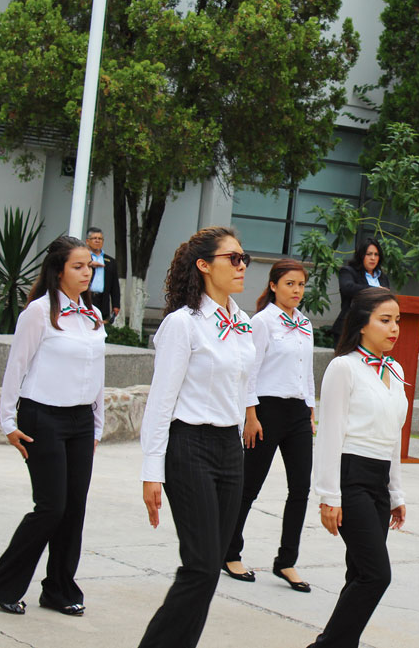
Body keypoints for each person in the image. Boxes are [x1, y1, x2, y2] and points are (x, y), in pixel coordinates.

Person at [137, 227, 255, 648]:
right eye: (233, 258)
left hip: (230, 449)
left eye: (244, 258)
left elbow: (243, 384)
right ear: (204, 265)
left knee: (209, 568)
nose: (242, 266)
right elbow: (161, 401)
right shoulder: (183, 324)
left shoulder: (242, 323)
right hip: (190, 447)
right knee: (200, 566)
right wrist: (152, 470)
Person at [0, 236, 106, 617]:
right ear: (58, 270)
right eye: (78, 266)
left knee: (74, 508)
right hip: (43, 417)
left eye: (89, 266)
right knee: (51, 507)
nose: (86, 273)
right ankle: (3, 585)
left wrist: (97, 424)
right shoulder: (38, 312)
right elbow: (16, 367)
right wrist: (8, 421)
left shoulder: (92, 313)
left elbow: (96, 372)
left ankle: (59, 589)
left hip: (81, 420)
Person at [308, 287, 408, 648]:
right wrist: (328, 496)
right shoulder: (344, 367)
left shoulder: (395, 369)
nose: (394, 328)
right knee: (375, 575)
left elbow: (393, 436)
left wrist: (395, 492)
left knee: (359, 574)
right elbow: (330, 433)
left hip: (379, 481)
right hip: (350, 478)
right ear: (362, 324)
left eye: (397, 320)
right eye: (385, 320)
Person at [223, 259, 315, 591]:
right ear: (274, 286)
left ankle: (286, 561)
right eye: (290, 284)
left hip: (298, 412)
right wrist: (250, 415)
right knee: (249, 486)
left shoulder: (304, 323)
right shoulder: (261, 322)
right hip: (266, 410)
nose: (296, 290)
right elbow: (250, 370)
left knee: (301, 489)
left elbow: (307, 371)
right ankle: (229, 552)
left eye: (301, 284)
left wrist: (310, 408)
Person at [331, 238, 391, 343]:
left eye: (376, 254)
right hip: (350, 329)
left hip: (375, 331)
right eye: (369, 254)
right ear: (361, 255)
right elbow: (348, 288)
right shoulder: (348, 271)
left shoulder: (382, 277)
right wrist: (375, 290)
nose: (373, 258)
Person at [85, 227, 121, 323]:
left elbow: (115, 285)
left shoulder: (110, 261)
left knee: (100, 324)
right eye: (94, 238)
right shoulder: (83, 258)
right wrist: (89, 264)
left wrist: (116, 305)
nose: (97, 241)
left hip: (103, 299)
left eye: (100, 239)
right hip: (86, 297)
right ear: (87, 241)